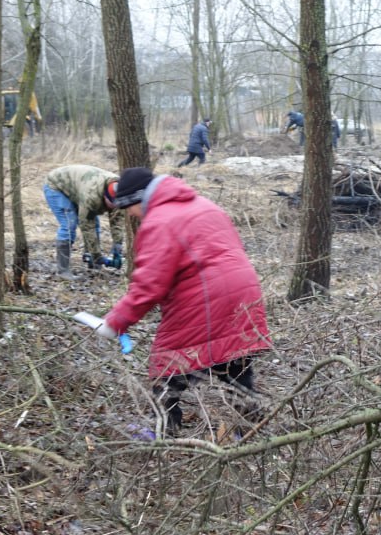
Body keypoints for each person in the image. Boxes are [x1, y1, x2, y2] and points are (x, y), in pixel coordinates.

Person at [89, 167, 272, 429]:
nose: (129, 214)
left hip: (208, 298)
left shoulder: (159, 222)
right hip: (245, 292)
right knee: (233, 362)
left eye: (128, 208)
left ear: (137, 200)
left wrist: (115, 322)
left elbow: (149, 285)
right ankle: (251, 431)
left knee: (167, 367)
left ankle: (164, 430)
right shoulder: (204, 205)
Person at [42, 165, 126, 280]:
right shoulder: (92, 196)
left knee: (95, 224)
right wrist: (98, 255)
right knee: (69, 224)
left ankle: (93, 264)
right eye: (112, 204)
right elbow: (87, 226)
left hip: (79, 186)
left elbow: (117, 222)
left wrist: (117, 246)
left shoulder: (122, 191)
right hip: (57, 186)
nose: (114, 207)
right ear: (105, 197)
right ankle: (63, 271)